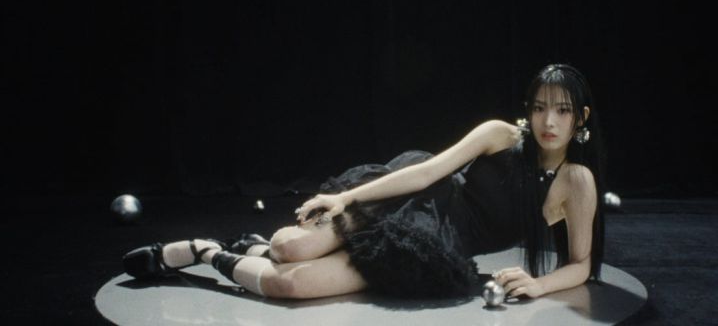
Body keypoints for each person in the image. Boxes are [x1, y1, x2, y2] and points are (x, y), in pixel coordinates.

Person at [123, 63, 606, 301]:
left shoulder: (576, 181)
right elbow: (429, 171)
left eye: (562, 111)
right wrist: (346, 197)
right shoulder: (501, 134)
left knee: (291, 286)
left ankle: (203, 251)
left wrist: (538, 285)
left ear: (580, 117)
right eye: (539, 107)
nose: (548, 121)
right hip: (417, 198)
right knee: (289, 248)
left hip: (432, 246)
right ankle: (247, 244)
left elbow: (581, 264)